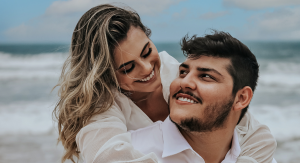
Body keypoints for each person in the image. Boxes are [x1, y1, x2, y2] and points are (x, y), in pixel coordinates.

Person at [53, 4, 276, 163]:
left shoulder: (175, 72)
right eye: (127, 68)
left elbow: (258, 135)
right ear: (106, 76)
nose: (147, 68)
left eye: (147, 51)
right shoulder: (101, 106)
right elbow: (107, 156)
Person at [130, 31, 277, 163]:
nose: (184, 82)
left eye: (206, 76)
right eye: (183, 72)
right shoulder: (130, 153)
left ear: (241, 98)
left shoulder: (259, 157)